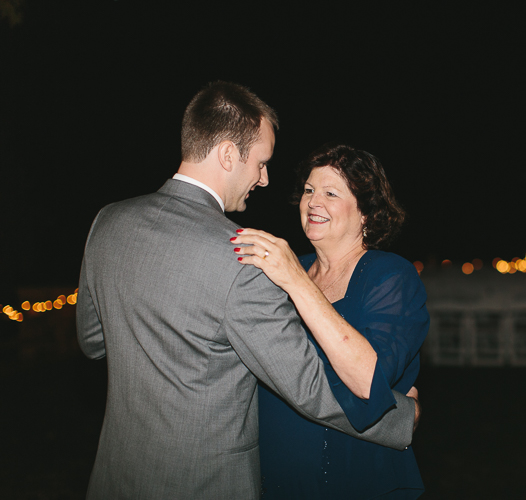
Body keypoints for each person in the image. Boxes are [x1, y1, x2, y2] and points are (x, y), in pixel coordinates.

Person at [76, 82, 418, 500]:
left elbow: (93, 342)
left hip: (116, 475)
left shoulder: (107, 222)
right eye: (260, 162)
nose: (264, 178)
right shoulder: (242, 256)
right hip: (203, 483)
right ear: (227, 154)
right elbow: (309, 386)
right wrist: (403, 415)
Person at [232, 143, 429, 499]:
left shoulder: (390, 275)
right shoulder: (289, 266)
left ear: (366, 212)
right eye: (308, 190)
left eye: (330, 193)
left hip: (355, 477)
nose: (313, 201)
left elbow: (370, 381)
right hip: (274, 475)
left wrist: (296, 280)